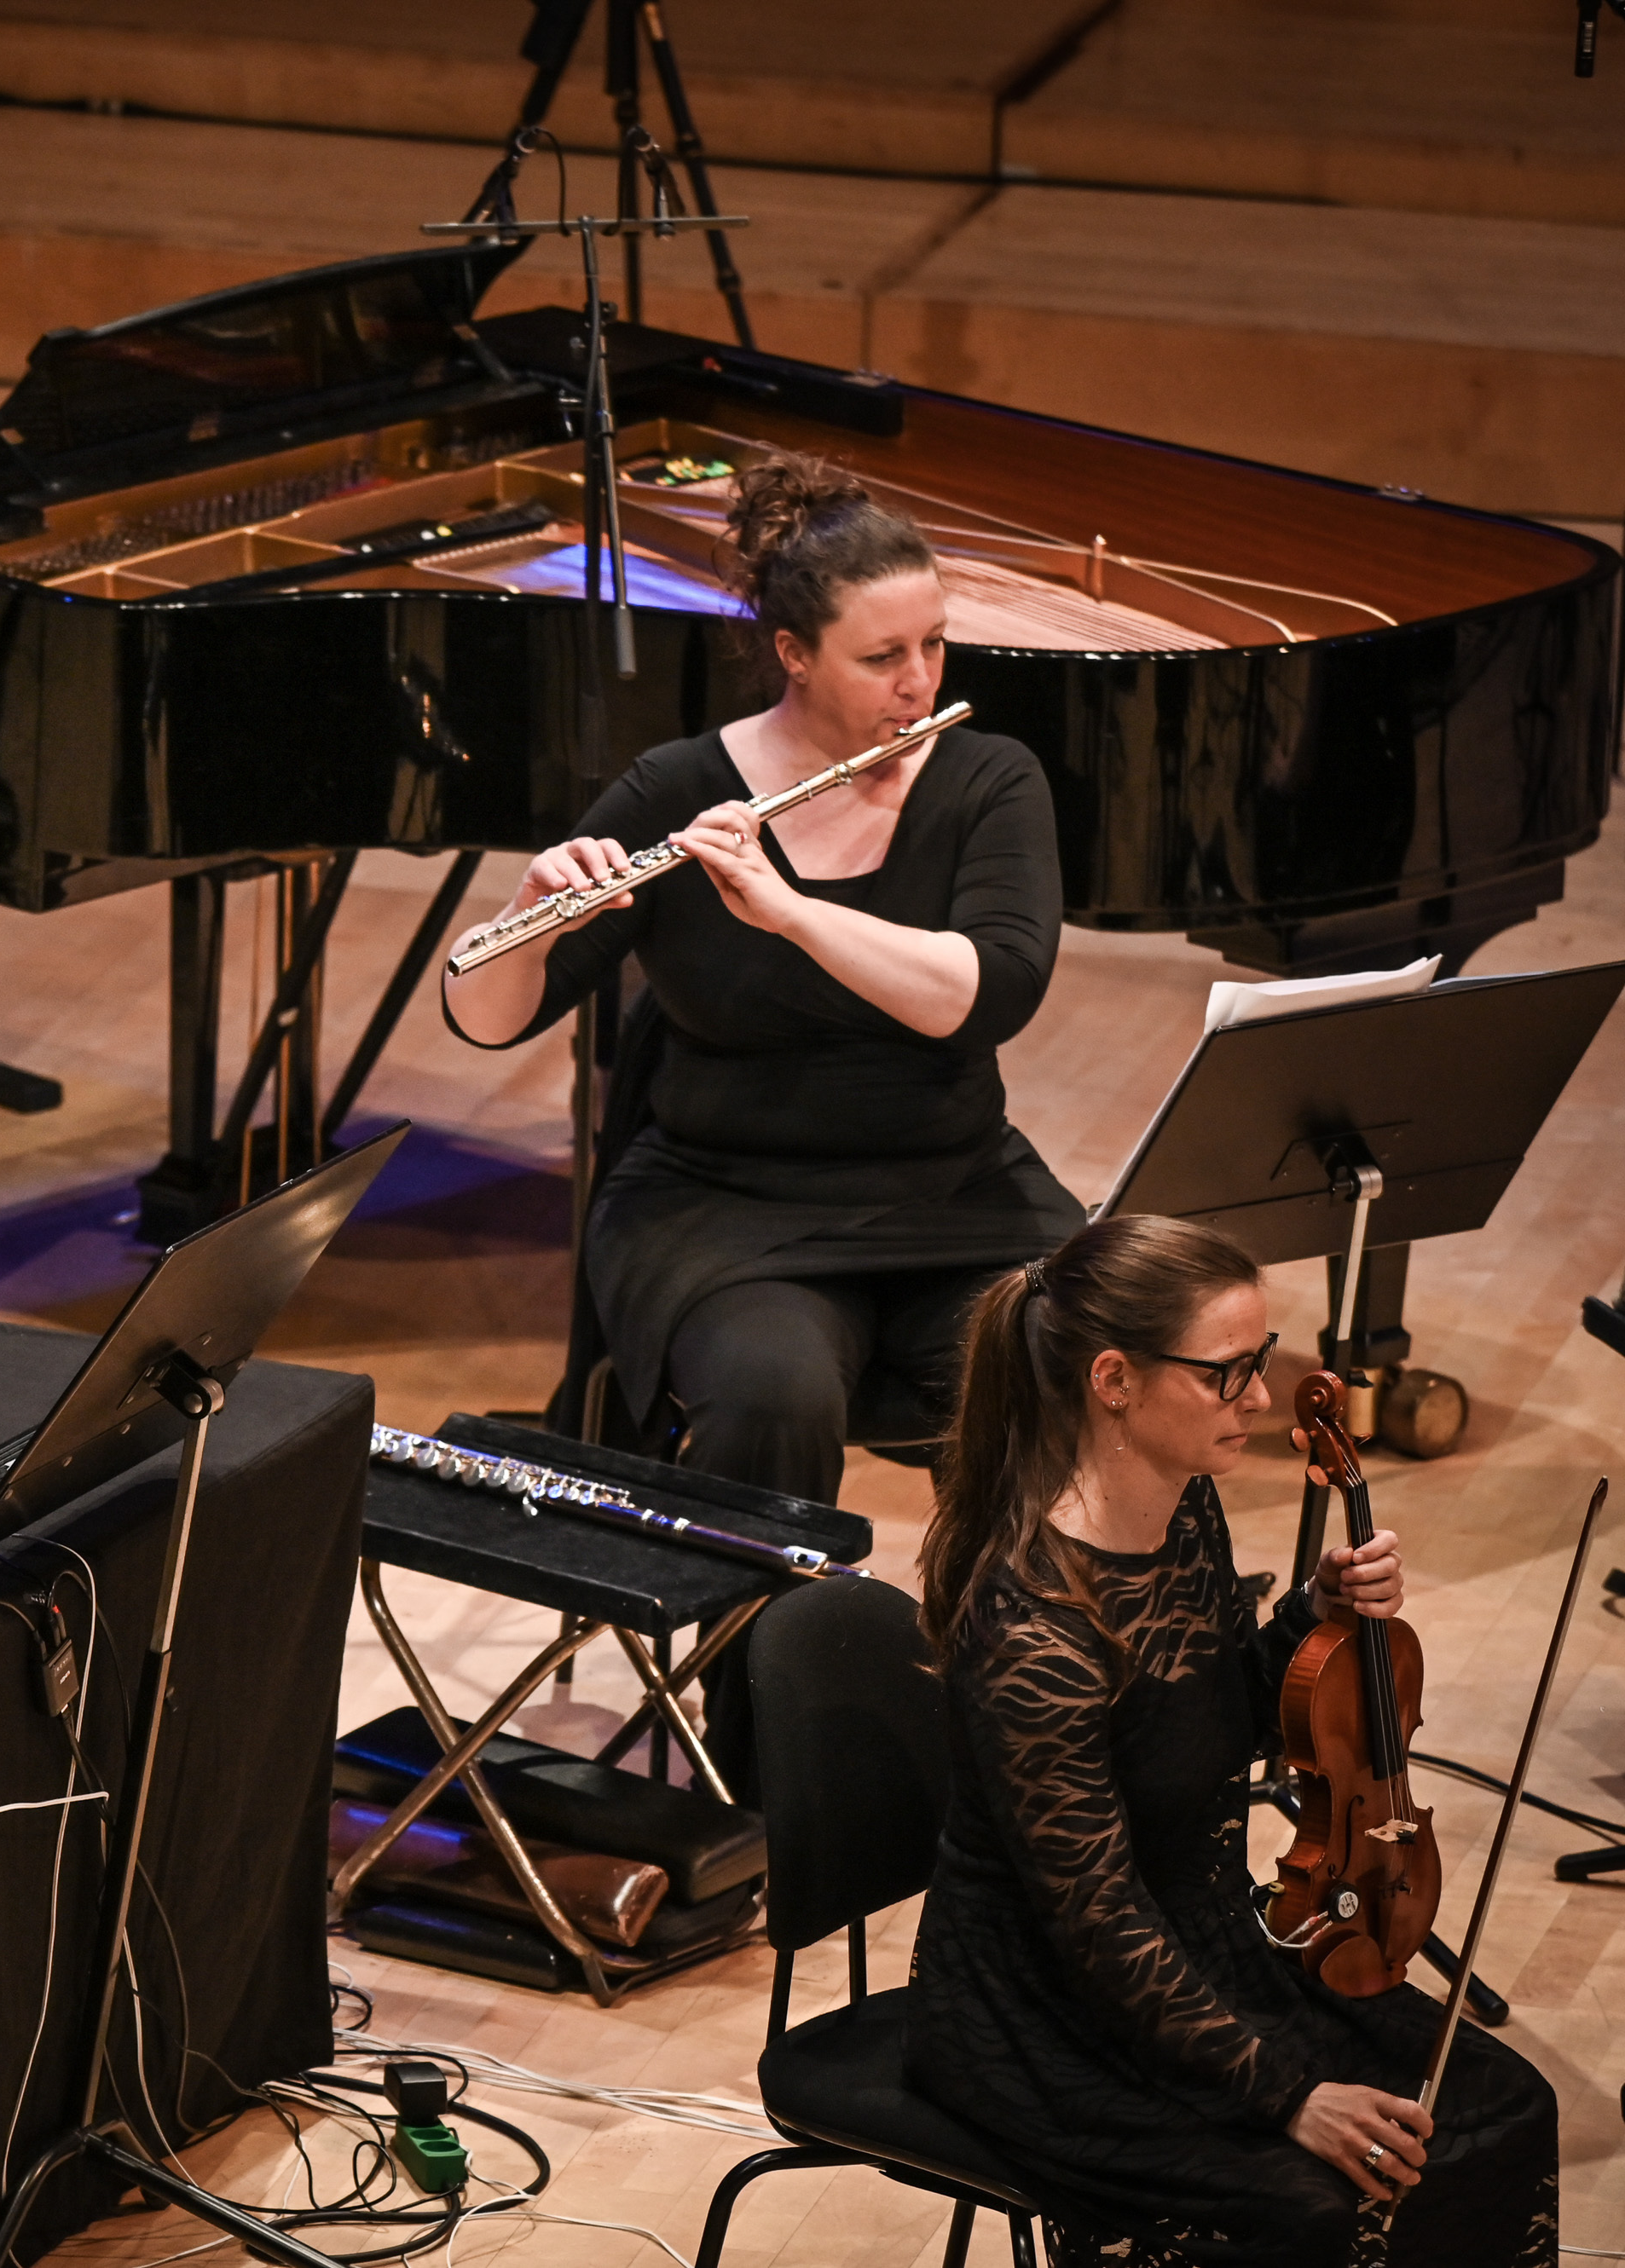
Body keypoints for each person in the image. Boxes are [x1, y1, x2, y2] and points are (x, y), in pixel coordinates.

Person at [909, 1213, 1556, 2265]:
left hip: (1207, 1951)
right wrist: (1287, 2095)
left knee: (1498, 2105)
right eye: (1228, 1373)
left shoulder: (1185, 1508)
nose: (1260, 1398)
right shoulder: (1032, 1634)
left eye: (1261, 1360)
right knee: (1321, 2202)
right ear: (1114, 1381)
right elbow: (1098, 1926)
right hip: (1049, 2013)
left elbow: (1218, 1723)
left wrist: (1315, 1616)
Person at [441, 452, 1083, 1507]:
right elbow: (484, 1019)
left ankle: (1040, 1619)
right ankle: (759, 1624)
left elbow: (989, 993)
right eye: (882, 657)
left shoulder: (989, 779)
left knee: (1085, 1363)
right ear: (794, 654)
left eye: (932, 643)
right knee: (771, 1396)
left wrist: (787, 910)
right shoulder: (679, 789)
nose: (921, 682)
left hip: (955, 1190)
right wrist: (523, 922)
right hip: (722, 1207)